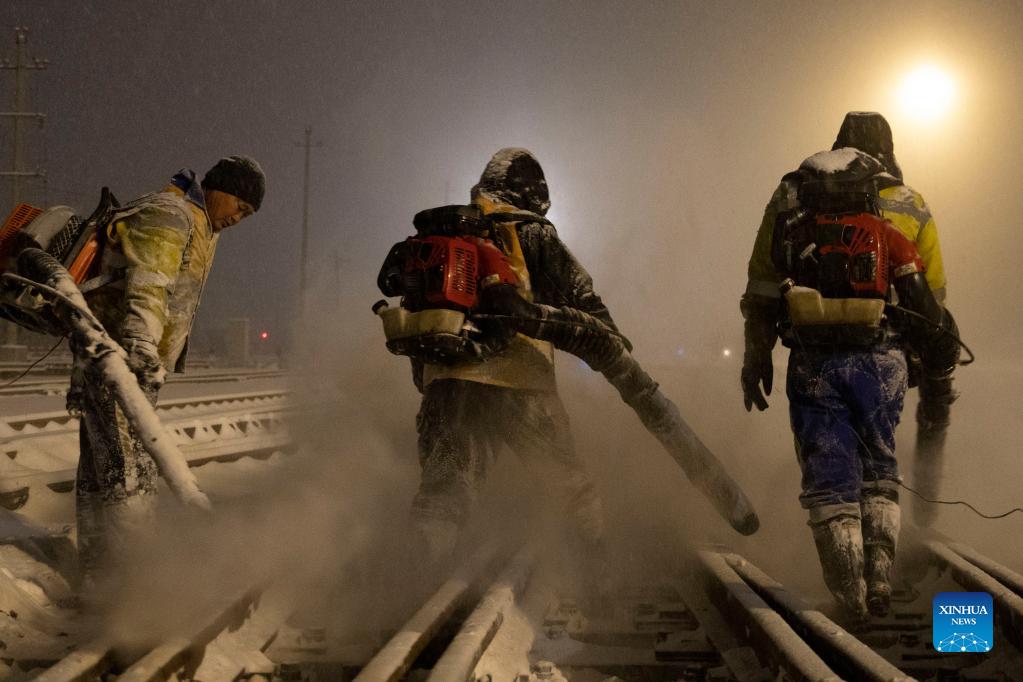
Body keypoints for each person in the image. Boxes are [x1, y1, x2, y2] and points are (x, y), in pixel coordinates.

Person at [740, 146, 958, 619]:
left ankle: (849, 596)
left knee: (829, 478)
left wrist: (756, 355)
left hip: (814, 363)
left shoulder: (793, 225)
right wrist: (932, 357)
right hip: (882, 360)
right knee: (879, 466)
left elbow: (763, 291)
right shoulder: (895, 224)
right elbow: (925, 305)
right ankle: (879, 579)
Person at [406, 148, 623, 578]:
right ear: (535, 195)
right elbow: (585, 302)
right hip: (522, 383)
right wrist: (614, 346)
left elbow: (419, 320)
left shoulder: (446, 234)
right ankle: (598, 581)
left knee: (443, 496)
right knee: (570, 489)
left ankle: (414, 583)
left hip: (448, 384)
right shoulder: (532, 232)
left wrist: (431, 381)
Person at [71, 156, 265, 581]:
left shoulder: (200, 224)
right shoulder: (172, 215)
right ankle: (133, 585)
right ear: (219, 188)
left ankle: (99, 579)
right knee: (128, 474)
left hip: (119, 359)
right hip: (120, 360)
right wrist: (142, 346)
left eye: (248, 215)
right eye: (240, 206)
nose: (238, 218)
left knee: (101, 473)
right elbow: (150, 283)